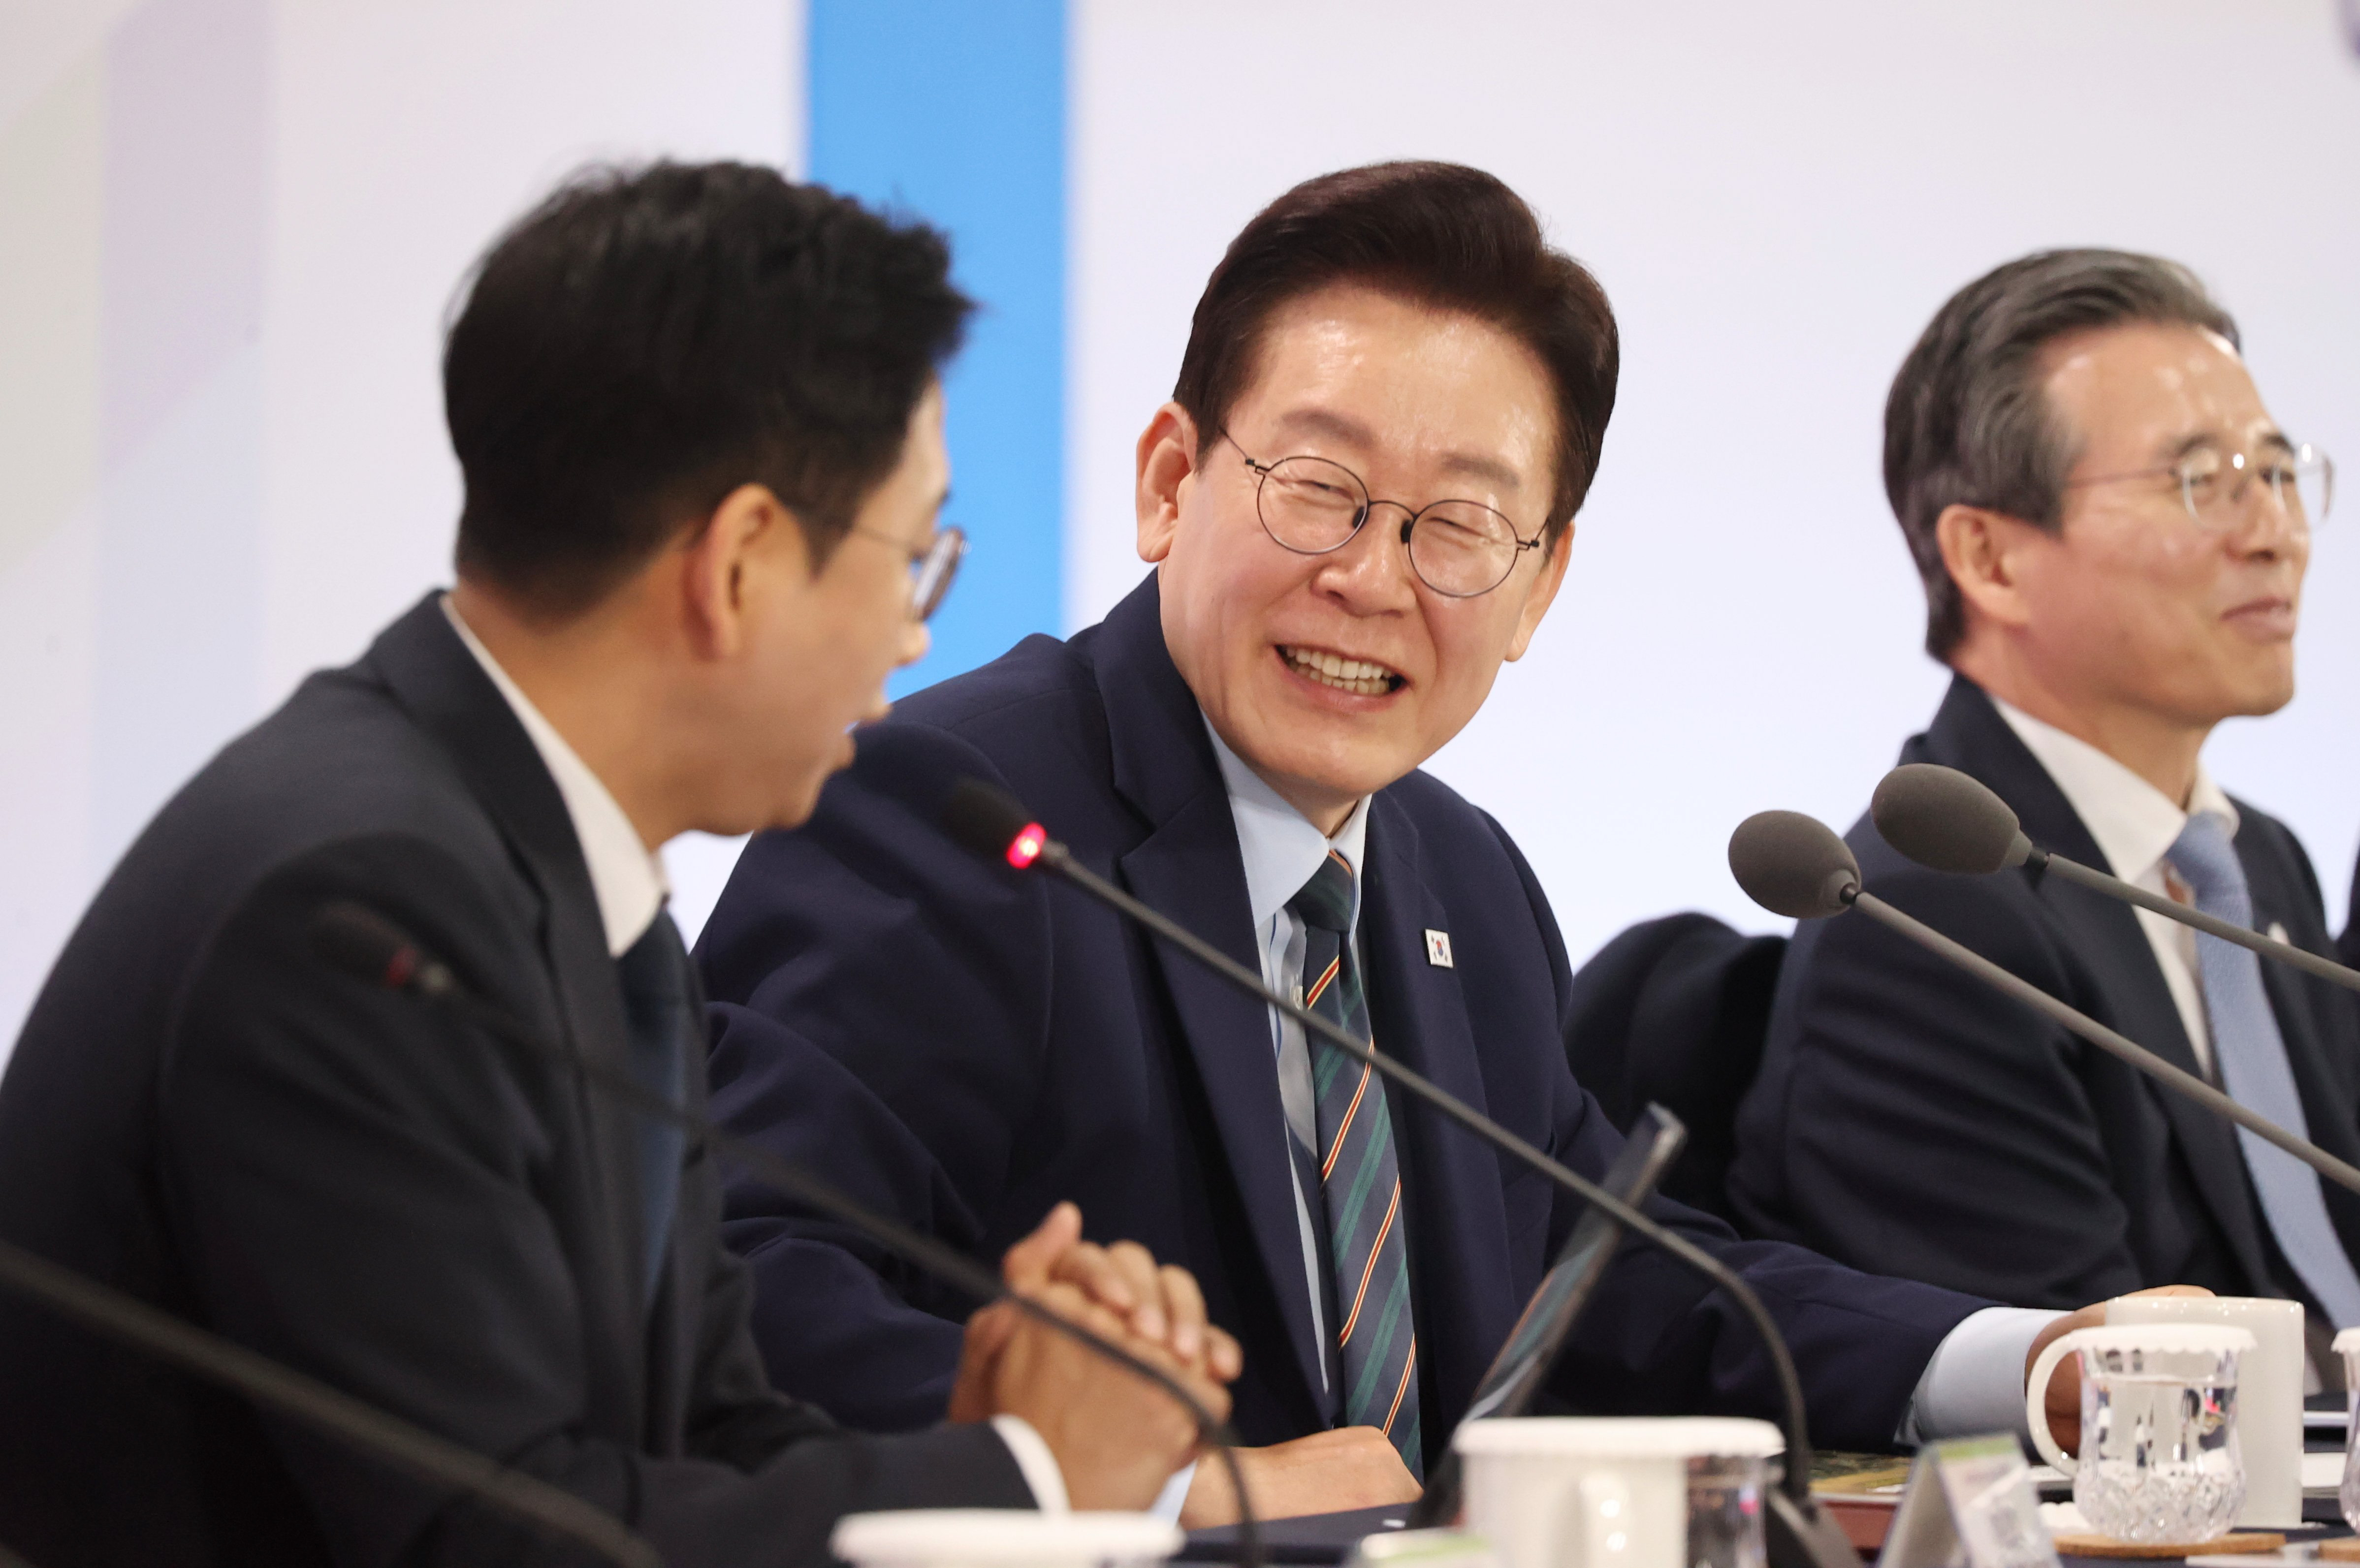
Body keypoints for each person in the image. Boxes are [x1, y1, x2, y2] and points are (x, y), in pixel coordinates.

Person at [693, 162, 2129, 1525]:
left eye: (1458, 525)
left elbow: (1607, 1291)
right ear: (1169, 481)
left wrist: (2033, 1361)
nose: (1369, 579)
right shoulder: (956, 810)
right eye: (1318, 487)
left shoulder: (1462, 876)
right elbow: (747, 1290)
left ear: (1538, 583)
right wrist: (1168, 1489)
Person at [0, 162, 1235, 1567]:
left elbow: (704, 1438)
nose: (912, 635)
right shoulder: (358, 910)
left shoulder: (559, 871)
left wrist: (981, 1438)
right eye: (914, 560)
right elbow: (492, 1539)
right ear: (743, 562)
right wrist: (1031, 1478)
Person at [1730, 250, 2359, 1356]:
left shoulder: (2258, 863)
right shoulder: (1927, 921)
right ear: (1990, 559)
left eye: (2277, 471)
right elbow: (2090, 1404)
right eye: (2200, 479)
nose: (2275, 530)